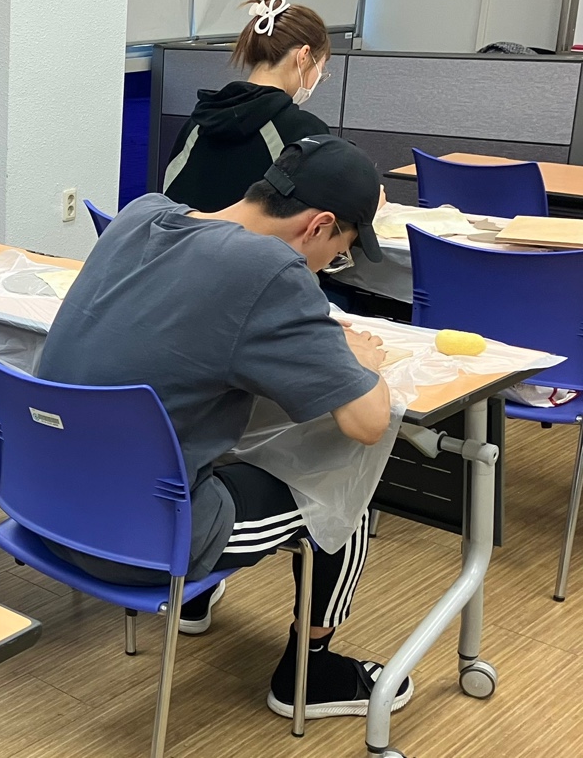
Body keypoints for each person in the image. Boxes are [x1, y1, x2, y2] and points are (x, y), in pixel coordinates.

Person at [36, 136, 412, 719]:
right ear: (318, 226)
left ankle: (195, 601)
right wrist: (359, 362)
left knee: (216, 432)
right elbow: (366, 421)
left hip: (42, 502)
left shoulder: (142, 213)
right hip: (131, 539)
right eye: (338, 253)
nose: (328, 266)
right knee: (343, 490)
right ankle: (309, 676)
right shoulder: (271, 271)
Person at [162, 0, 333, 212]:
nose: (318, 78)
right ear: (303, 56)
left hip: (183, 235)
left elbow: (168, 204)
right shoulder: (305, 133)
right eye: (321, 68)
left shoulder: (198, 122)